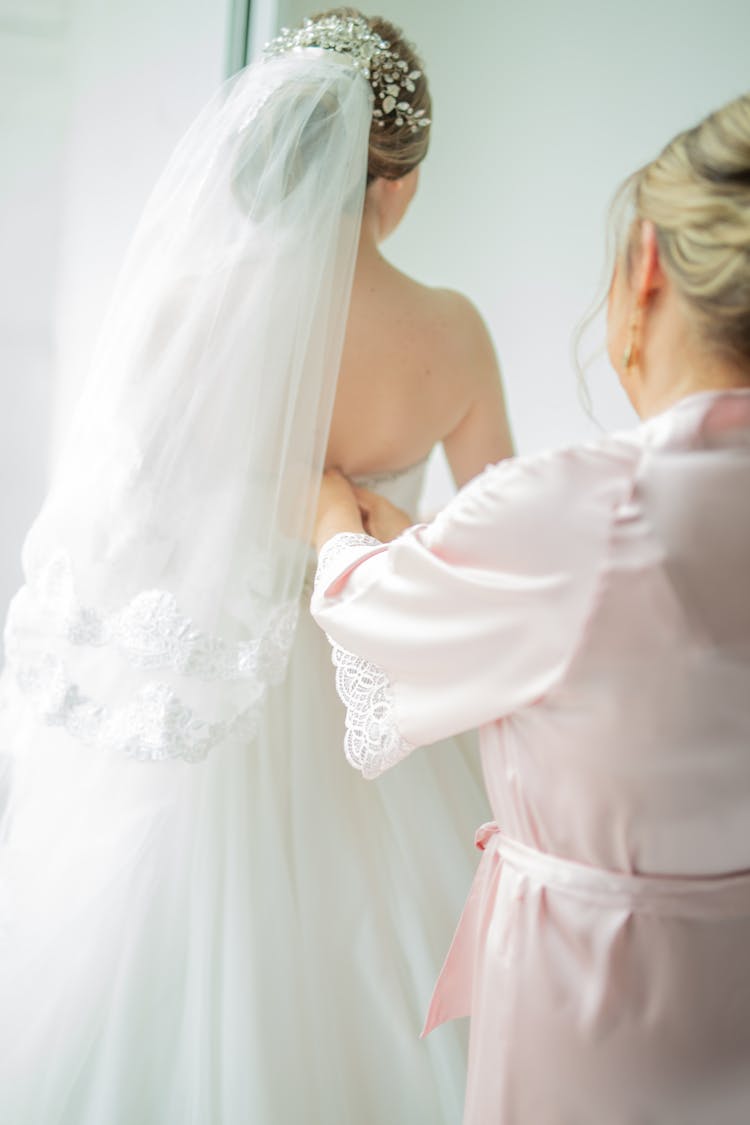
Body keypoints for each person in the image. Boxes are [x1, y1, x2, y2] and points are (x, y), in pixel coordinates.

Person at [0, 10, 513, 1125]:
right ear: (399, 181)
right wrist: (370, 528)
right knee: (388, 957)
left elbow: (127, 518)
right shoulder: (452, 331)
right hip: (370, 695)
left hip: (209, 691)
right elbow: (496, 545)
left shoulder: (184, 313)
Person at [312, 91, 750, 1124]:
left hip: (598, 988)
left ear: (645, 267)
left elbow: (376, 608)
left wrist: (338, 524)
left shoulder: (594, 505)